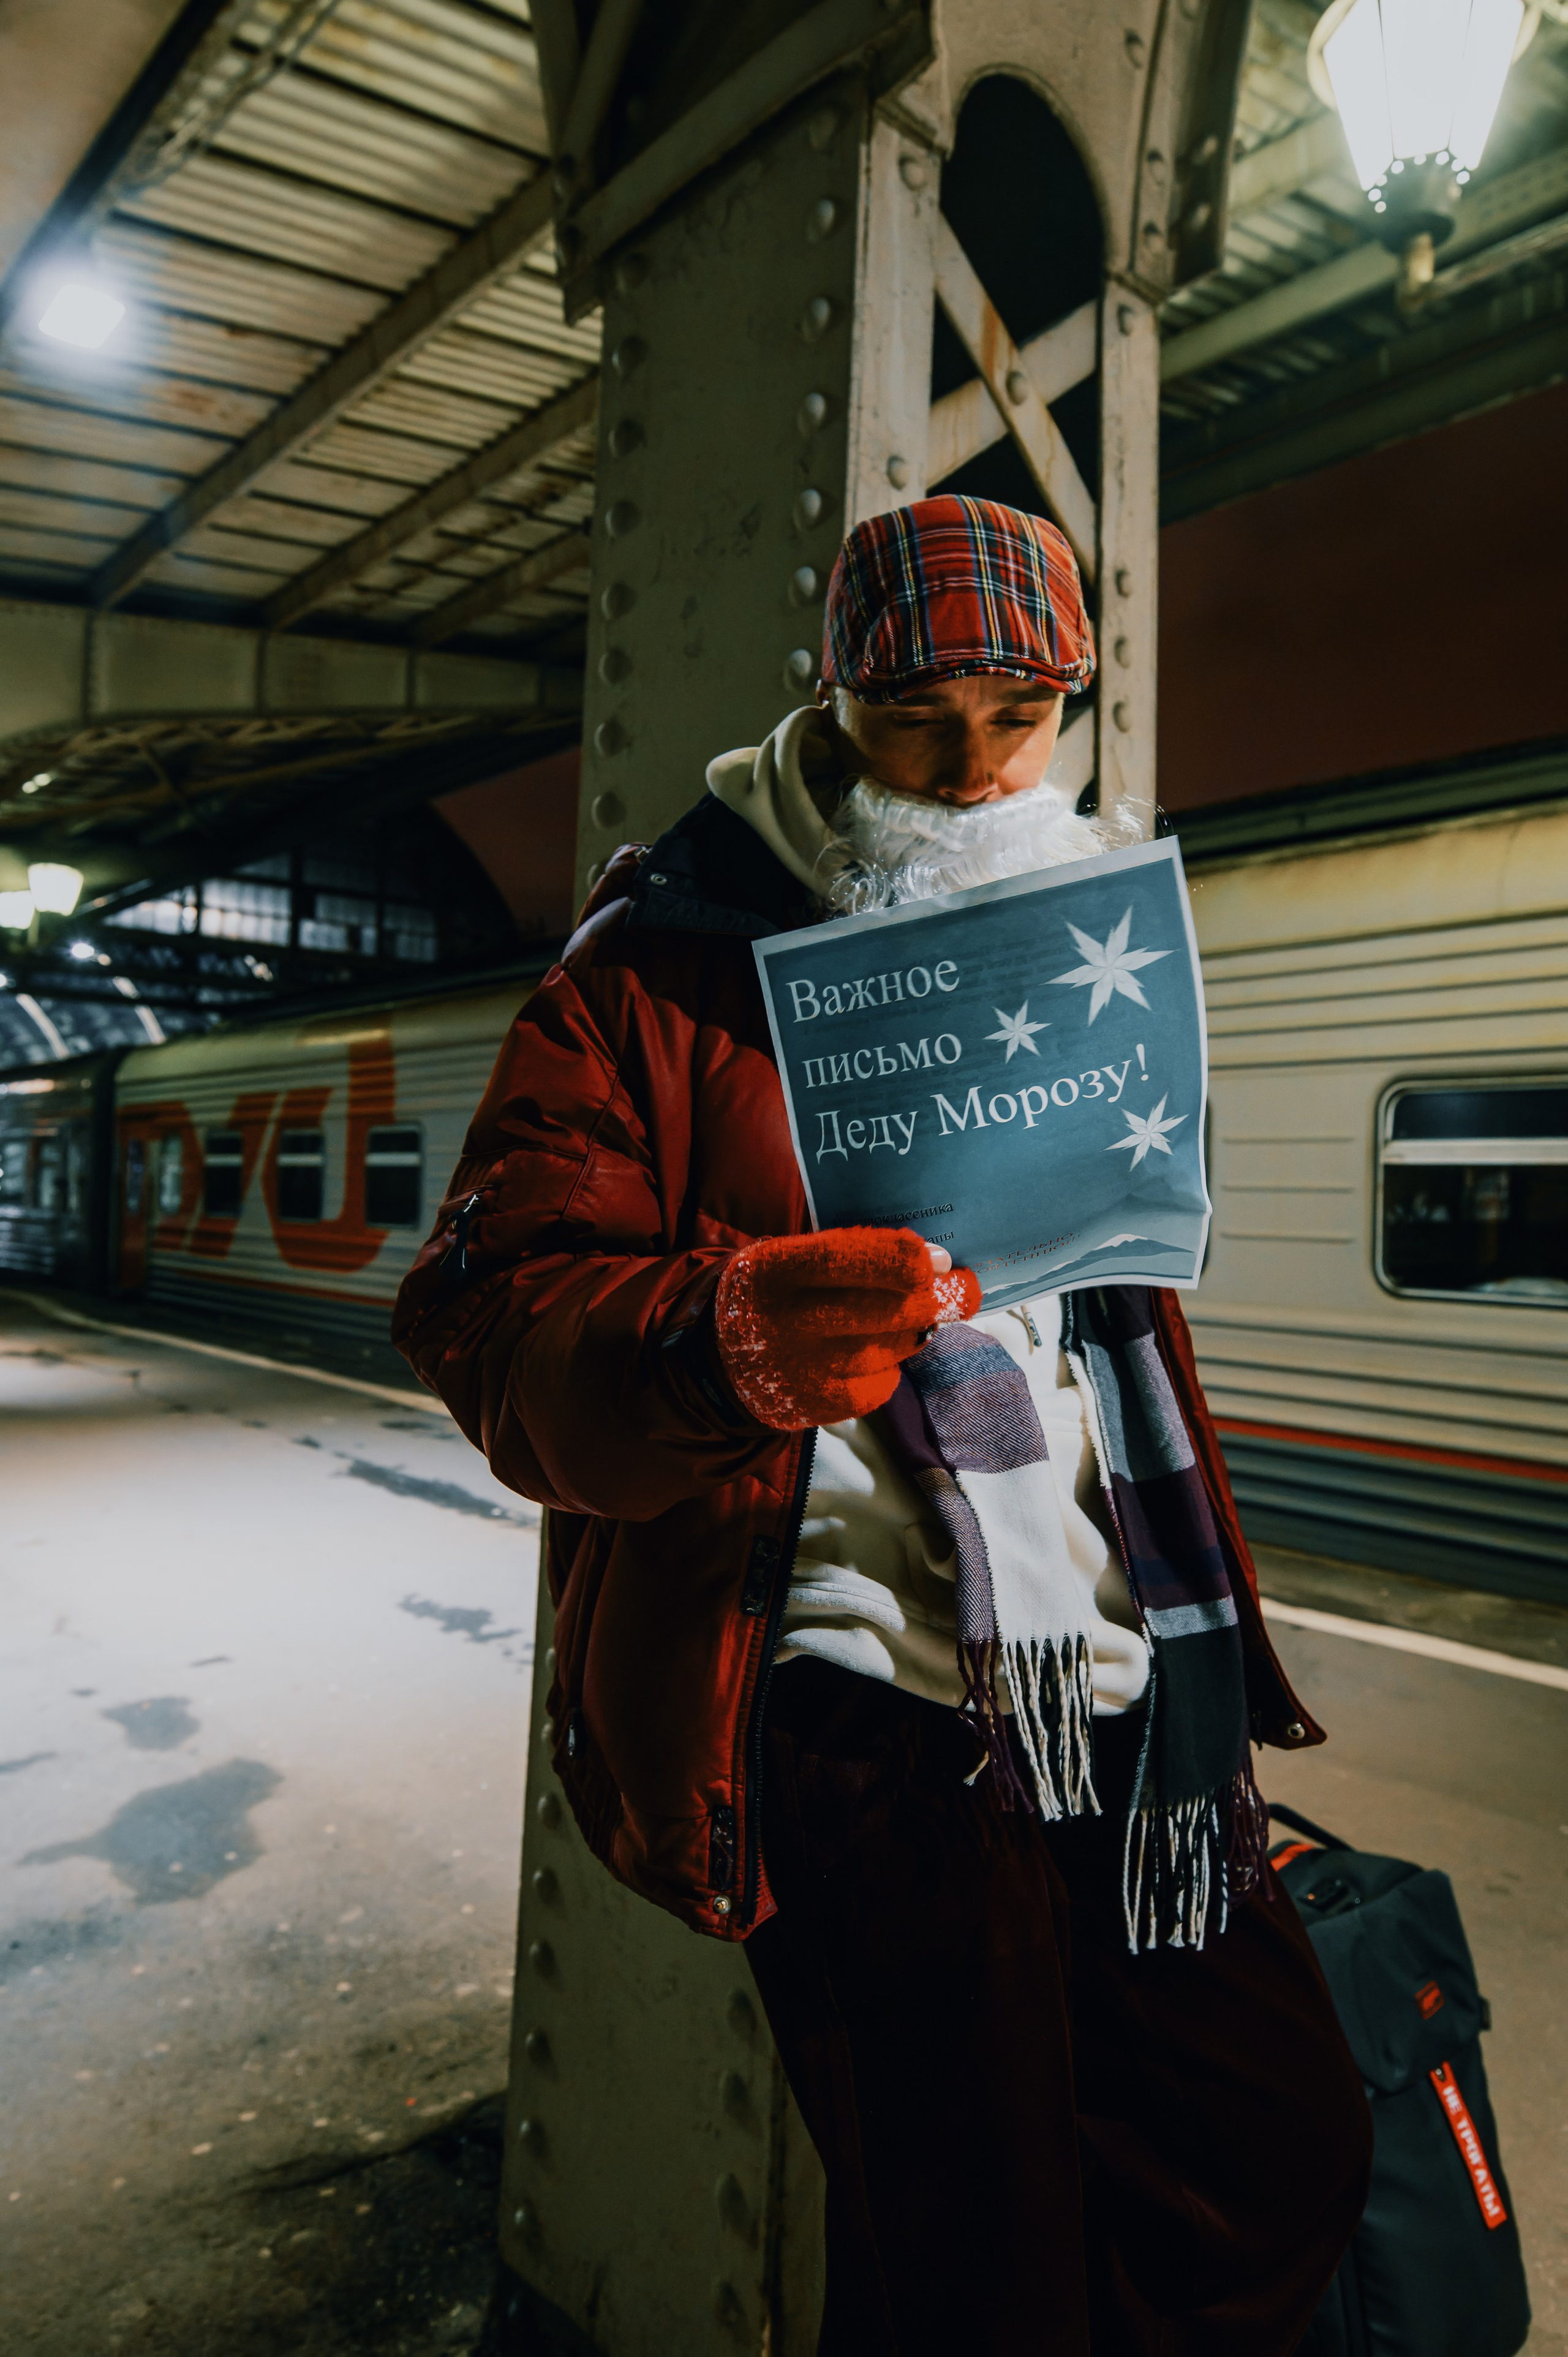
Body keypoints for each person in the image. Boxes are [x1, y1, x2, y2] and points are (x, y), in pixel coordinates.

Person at [394, 496, 1371, 2355]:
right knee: (965, 2255)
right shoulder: (650, 967)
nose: (970, 763)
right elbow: (483, 1321)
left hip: (1120, 1661)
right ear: (833, 697)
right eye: (917, 712)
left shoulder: (1091, 924)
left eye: (1022, 713)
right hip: (856, 1698)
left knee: (1276, 2140)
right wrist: (725, 1339)